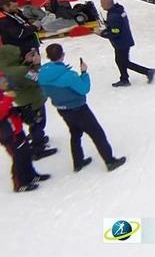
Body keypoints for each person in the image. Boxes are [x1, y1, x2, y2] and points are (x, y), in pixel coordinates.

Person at [37, 43, 126, 172]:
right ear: (62, 55)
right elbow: (84, 89)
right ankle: (110, 161)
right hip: (78, 109)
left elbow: (44, 91)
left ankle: (78, 162)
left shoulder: (42, 73)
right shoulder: (69, 75)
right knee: (97, 134)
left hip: (62, 109)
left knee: (75, 133)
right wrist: (84, 73)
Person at [0, 46, 56, 160]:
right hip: (33, 100)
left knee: (31, 121)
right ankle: (38, 147)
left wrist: (26, 62)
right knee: (38, 123)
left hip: (19, 100)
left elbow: (18, 75)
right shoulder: (21, 71)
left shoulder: (4, 69)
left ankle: (36, 137)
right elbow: (38, 78)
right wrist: (37, 64)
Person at [0, 74, 49, 192]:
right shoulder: (5, 96)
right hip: (8, 134)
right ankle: (19, 183)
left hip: (15, 129)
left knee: (26, 152)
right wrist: (8, 99)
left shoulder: (3, 93)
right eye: (2, 81)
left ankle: (31, 175)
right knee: (18, 156)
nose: (5, 83)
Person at [99, 0, 155, 87]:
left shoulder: (113, 16)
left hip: (121, 42)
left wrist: (102, 34)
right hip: (124, 40)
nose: (101, 6)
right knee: (120, 61)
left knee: (123, 62)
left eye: (102, 4)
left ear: (107, 4)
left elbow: (115, 32)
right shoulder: (118, 10)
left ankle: (147, 71)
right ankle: (124, 79)